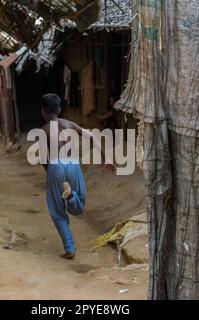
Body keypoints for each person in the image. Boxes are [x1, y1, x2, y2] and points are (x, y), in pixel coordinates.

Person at [41, 94, 115, 260]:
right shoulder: (69, 124)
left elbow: (42, 159)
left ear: (43, 112)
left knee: (57, 211)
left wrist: (51, 174)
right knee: (80, 203)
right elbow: (93, 136)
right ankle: (72, 196)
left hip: (55, 166)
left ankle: (69, 248)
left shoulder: (44, 130)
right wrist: (105, 157)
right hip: (73, 164)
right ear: (59, 109)